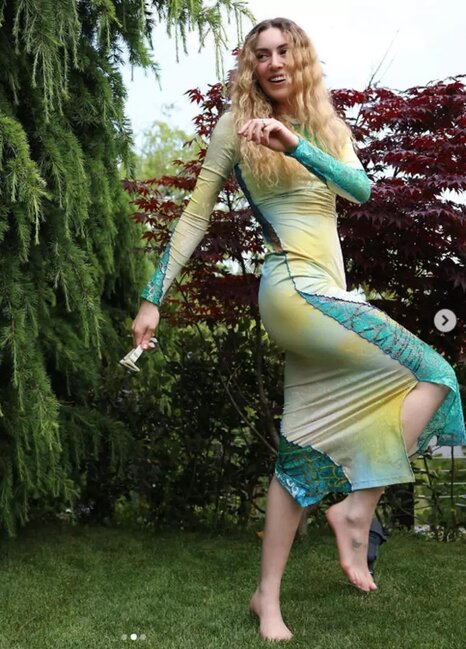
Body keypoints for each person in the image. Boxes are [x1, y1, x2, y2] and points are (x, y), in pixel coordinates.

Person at [132, 17, 465, 642]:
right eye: (261, 54)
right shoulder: (235, 126)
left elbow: (360, 190)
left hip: (326, 295)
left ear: (301, 58)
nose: (274, 62)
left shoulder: (324, 122)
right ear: (251, 66)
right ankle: (356, 509)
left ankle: (267, 596)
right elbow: (195, 215)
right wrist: (154, 297)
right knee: (436, 372)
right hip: (294, 290)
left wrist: (295, 144)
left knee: (299, 451)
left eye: (284, 51)